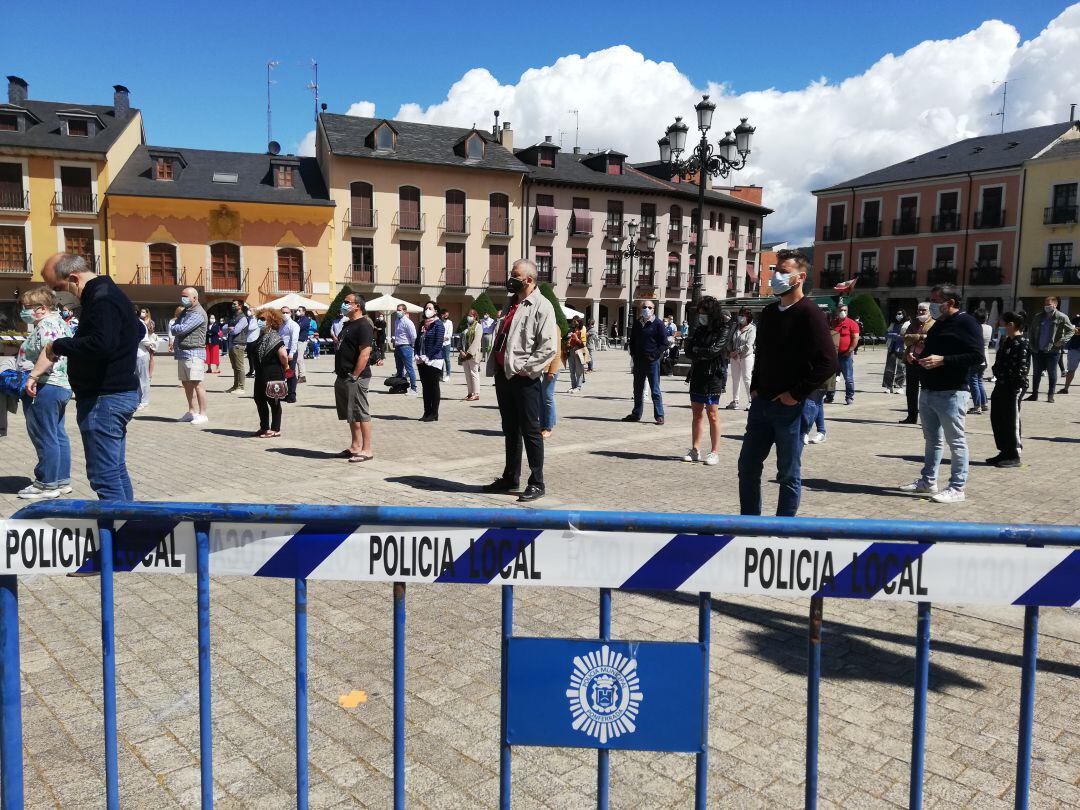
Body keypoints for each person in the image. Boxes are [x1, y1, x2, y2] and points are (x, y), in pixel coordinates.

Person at [30, 253, 141, 501]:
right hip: (112, 394)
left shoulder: (102, 298)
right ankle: (130, 527)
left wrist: (60, 345)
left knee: (104, 476)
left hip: (105, 397)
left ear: (73, 278)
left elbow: (103, 344)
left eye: (59, 288)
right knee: (114, 470)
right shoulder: (105, 294)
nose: (60, 295)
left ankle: (119, 535)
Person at [737, 250, 837, 517]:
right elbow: (762, 353)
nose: (777, 276)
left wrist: (796, 394)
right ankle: (749, 525)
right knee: (747, 466)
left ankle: (782, 531)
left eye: (783, 271)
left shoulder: (810, 313)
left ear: (800, 277)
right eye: (776, 271)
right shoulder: (769, 312)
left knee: (788, 473)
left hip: (792, 407)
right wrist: (755, 387)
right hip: (762, 404)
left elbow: (829, 362)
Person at [899, 284, 984, 504]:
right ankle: (928, 481)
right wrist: (914, 358)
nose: (932, 305)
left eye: (936, 301)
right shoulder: (939, 324)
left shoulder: (967, 322)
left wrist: (944, 360)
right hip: (928, 390)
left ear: (951, 302)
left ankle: (957, 486)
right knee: (932, 440)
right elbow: (929, 351)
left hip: (952, 391)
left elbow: (976, 356)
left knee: (956, 442)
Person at [484, 259, 558, 502]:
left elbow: (548, 346)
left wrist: (527, 369)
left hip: (524, 378)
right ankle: (510, 477)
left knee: (530, 431)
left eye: (515, 274)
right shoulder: (510, 303)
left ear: (529, 279)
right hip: (504, 376)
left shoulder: (542, 305)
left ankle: (537, 482)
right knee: (510, 429)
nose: (510, 277)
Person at [17, 287, 73, 500]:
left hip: (45, 385)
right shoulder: (61, 323)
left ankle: (46, 484)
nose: (23, 310)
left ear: (41, 308)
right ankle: (61, 481)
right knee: (57, 434)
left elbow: (49, 353)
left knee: (44, 434)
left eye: (27, 307)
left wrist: (32, 376)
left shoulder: (47, 325)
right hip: (61, 386)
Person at [682, 296, 728, 465]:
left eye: (704, 313)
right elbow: (688, 351)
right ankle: (695, 449)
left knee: (713, 414)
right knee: (696, 413)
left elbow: (714, 351)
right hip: (698, 374)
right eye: (699, 313)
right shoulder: (699, 329)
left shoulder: (722, 330)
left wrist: (698, 350)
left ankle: (714, 452)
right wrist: (700, 351)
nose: (701, 316)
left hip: (713, 375)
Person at [335, 293, 375, 461]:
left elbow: (365, 353)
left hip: (356, 377)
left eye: (347, 302)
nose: (343, 305)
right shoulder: (348, 325)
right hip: (343, 375)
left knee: (361, 412)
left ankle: (367, 449)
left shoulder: (364, 325)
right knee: (351, 414)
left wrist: (355, 375)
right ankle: (355, 445)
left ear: (357, 306)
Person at [988, 312, 1031, 468]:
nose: (1001, 327)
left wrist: (1015, 384)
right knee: (998, 417)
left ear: (1011, 325)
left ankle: (1014, 453)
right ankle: (1004, 450)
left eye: (1003, 324)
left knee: (1011, 418)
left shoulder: (1022, 343)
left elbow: (1022, 367)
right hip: (1001, 384)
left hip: (1014, 387)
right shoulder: (1007, 341)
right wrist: (998, 373)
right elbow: (998, 361)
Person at [623, 301, 668, 425]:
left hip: (652, 362)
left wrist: (654, 356)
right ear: (640, 309)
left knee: (655, 390)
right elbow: (632, 341)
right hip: (639, 361)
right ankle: (636, 414)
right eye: (644, 307)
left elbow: (664, 343)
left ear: (653, 309)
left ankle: (659, 416)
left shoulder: (658, 323)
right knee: (637, 389)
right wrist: (633, 354)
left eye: (649, 307)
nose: (646, 309)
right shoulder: (637, 323)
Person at [170, 287, 209, 424]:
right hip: (183, 352)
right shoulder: (186, 312)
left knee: (197, 383)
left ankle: (203, 414)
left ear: (194, 298)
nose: (183, 299)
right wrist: (176, 327)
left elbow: (181, 329)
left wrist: (176, 327)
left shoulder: (198, 313)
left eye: (185, 296)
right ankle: (191, 411)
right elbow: (174, 326)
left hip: (194, 352)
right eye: (182, 296)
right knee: (186, 383)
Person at [1026, 296, 1073, 402]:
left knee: (1052, 373)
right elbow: (1032, 331)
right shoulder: (1038, 316)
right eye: (1045, 304)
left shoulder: (1061, 317)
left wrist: (1062, 340)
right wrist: (1032, 345)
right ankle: (1034, 394)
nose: (1046, 306)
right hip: (1037, 350)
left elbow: (1071, 330)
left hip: (1053, 351)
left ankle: (1050, 395)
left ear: (1055, 305)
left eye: (1049, 304)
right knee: (1036, 373)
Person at [251, 308, 290, 438]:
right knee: (259, 399)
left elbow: (283, 355)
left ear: (271, 321)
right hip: (261, 374)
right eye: (259, 319)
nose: (260, 321)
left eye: (263, 319)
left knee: (274, 401)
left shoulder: (275, 336)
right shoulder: (261, 335)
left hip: (273, 374)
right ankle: (264, 427)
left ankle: (275, 428)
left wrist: (286, 367)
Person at [900, 302, 935, 424]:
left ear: (929, 311)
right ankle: (911, 416)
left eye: (923, 310)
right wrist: (921, 337)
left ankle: (928, 418)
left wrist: (915, 338)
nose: (920, 312)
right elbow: (906, 339)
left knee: (926, 391)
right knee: (911, 391)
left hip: (925, 362)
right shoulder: (913, 323)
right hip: (911, 360)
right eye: (919, 310)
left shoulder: (934, 324)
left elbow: (931, 341)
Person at [416, 301, 445, 421]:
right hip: (421, 359)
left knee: (433, 386)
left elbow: (438, 344)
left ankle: (434, 413)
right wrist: (416, 354)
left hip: (434, 359)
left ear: (435, 311)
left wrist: (427, 356)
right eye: (426, 308)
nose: (427, 310)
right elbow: (418, 340)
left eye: (430, 308)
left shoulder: (438, 325)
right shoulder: (422, 323)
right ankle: (426, 412)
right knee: (425, 387)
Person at [826, 303, 859, 405]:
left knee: (848, 378)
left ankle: (849, 397)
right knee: (831, 377)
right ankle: (829, 396)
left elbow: (855, 338)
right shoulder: (832, 323)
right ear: (837, 311)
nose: (842, 312)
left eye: (844, 310)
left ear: (847, 311)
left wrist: (850, 350)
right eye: (840, 310)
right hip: (833, 355)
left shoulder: (852, 323)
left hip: (846, 355)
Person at [727, 307, 756, 410]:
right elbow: (729, 339)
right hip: (734, 357)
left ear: (748, 317)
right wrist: (730, 351)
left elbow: (749, 344)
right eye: (740, 315)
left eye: (743, 315)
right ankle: (735, 401)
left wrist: (737, 351)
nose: (741, 317)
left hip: (746, 356)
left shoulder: (752, 328)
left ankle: (751, 401)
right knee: (735, 379)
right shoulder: (735, 326)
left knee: (747, 378)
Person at [540, 323, 564, 439]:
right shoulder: (541, 324)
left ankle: (548, 427)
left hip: (551, 368)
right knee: (541, 397)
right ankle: (543, 424)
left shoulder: (554, 327)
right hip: (541, 367)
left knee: (548, 397)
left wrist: (552, 371)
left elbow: (557, 351)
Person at [967, 309, 991, 415]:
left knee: (973, 381)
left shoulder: (975, 327)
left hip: (976, 356)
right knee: (979, 380)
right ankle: (984, 403)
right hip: (986, 356)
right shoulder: (989, 327)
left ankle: (977, 406)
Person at [393, 303, 419, 396]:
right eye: (397, 310)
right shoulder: (397, 321)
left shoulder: (408, 322)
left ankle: (414, 389)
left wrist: (411, 346)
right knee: (399, 369)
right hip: (397, 347)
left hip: (406, 347)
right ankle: (401, 386)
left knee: (409, 369)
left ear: (404, 311)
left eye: (400, 310)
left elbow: (414, 336)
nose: (398, 312)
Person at [459, 308, 484, 401]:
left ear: (475, 316)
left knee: (474, 373)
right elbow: (461, 339)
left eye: (471, 315)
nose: (469, 317)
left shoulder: (478, 326)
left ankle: (476, 393)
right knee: (467, 374)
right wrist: (461, 351)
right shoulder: (466, 327)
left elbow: (476, 341)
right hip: (464, 354)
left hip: (472, 354)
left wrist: (468, 353)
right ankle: (470, 393)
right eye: (468, 315)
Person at [279, 305, 301, 403]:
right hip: (282, 350)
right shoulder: (281, 325)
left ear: (290, 313)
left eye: (287, 312)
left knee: (290, 373)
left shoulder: (294, 325)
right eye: (283, 312)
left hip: (290, 351)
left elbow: (294, 340)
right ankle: (285, 393)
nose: (285, 314)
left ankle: (292, 395)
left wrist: (291, 353)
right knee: (283, 373)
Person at [883, 310, 908, 394]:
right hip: (892, 348)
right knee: (889, 368)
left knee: (901, 368)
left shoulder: (907, 324)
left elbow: (906, 336)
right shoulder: (893, 324)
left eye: (900, 314)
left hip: (902, 349)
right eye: (897, 313)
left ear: (904, 315)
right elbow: (886, 333)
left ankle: (900, 386)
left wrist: (895, 336)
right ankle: (888, 386)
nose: (898, 315)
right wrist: (895, 336)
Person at [135, 304, 155, 410]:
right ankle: (138, 399)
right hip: (135, 354)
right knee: (137, 379)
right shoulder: (132, 322)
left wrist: (150, 345)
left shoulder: (139, 323)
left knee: (143, 378)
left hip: (141, 354)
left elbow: (143, 337)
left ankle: (144, 401)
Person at [1059, 313, 1080, 394]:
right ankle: (1065, 388)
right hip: (1074, 348)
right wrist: (1076, 330)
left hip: (1074, 348)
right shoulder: (1075, 320)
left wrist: (1077, 330)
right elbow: (1071, 330)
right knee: (1071, 370)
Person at [566, 316, 587, 392]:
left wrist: (577, 339)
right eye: (573, 321)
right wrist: (567, 338)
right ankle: (573, 386)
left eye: (575, 322)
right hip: (571, 351)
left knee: (579, 371)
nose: (573, 323)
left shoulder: (582, 330)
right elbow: (566, 340)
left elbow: (583, 344)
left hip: (579, 352)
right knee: (572, 371)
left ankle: (578, 387)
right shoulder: (570, 330)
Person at [294, 306, 313, 382]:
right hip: (298, 340)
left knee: (299, 359)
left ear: (304, 312)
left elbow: (298, 328)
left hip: (301, 341)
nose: (298, 311)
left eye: (299, 310)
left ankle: (302, 376)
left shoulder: (305, 320)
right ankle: (299, 375)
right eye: (297, 310)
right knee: (297, 358)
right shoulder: (299, 319)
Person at [138, 308, 157, 381]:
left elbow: (152, 331)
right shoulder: (139, 321)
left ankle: (150, 374)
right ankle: (144, 373)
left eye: (143, 312)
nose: (142, 313)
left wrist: (147, 327)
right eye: (141, 311)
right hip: (142, 342)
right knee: (144, 357)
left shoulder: (151, 321)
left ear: (147, 313)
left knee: (151, 357)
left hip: (149, 340)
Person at [243, 306, 260, 379]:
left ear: (254, 312)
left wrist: (245, 327)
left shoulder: (257, 320)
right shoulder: (249, 319)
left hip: (254, 340)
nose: (248, 311)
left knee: (255, 357)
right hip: (249, 340)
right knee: (250, 357)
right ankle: (251, 370)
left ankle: (256, 371)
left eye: (250, 310)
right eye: (248, 310)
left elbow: (249, 328)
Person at [439, 308, 454, 382]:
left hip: (446, 344)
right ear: (442, 315)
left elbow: (449, 334)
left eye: (447, 315)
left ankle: (448, 375)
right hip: (439, 344)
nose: (446, 316)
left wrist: (443, 339)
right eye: (445, 315)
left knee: (447, 359)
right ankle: (440, 375)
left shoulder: (449, 322)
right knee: (440, 360)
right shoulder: (438, 322)